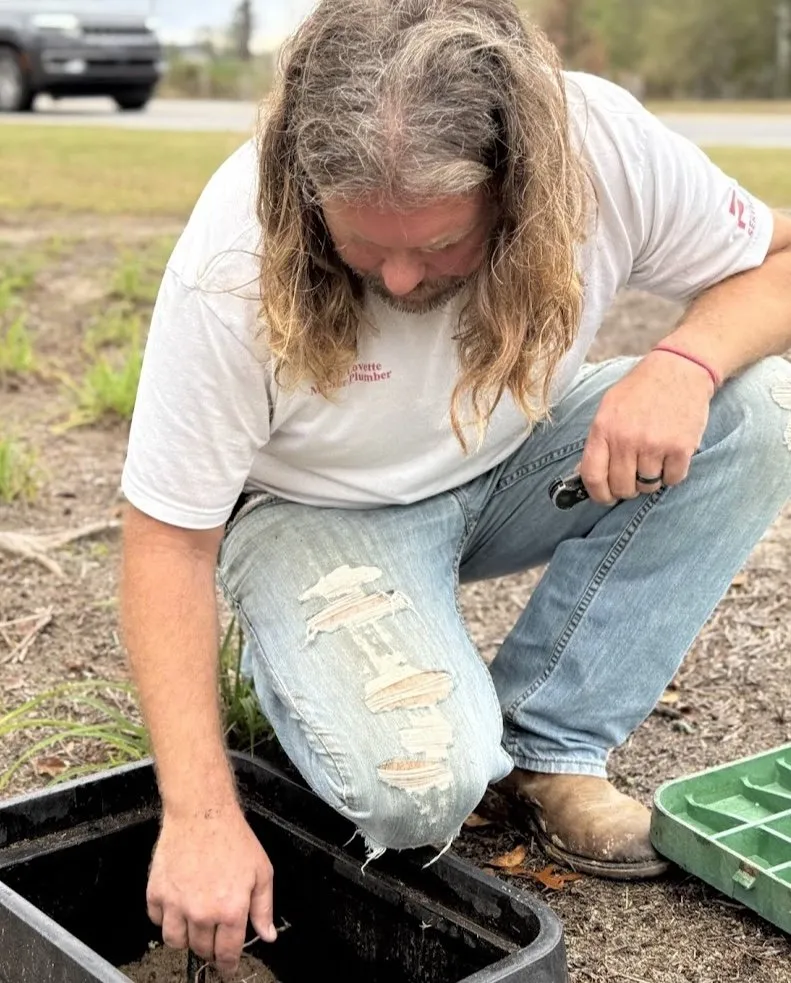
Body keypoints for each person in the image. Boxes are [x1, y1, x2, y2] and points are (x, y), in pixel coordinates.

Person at [120, 0, 791, 975]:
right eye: (364, 244)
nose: (397, 280)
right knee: (419, 791)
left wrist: (684, 362)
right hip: (321, 510)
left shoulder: (598, 146)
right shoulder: (232, 258)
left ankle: (546, 743)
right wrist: (199, 811)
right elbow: (166, 542)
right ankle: (304, 665)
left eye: (437, 247)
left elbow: (775, 260)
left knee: (756, 407)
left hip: (515, 458)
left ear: (516, 185)